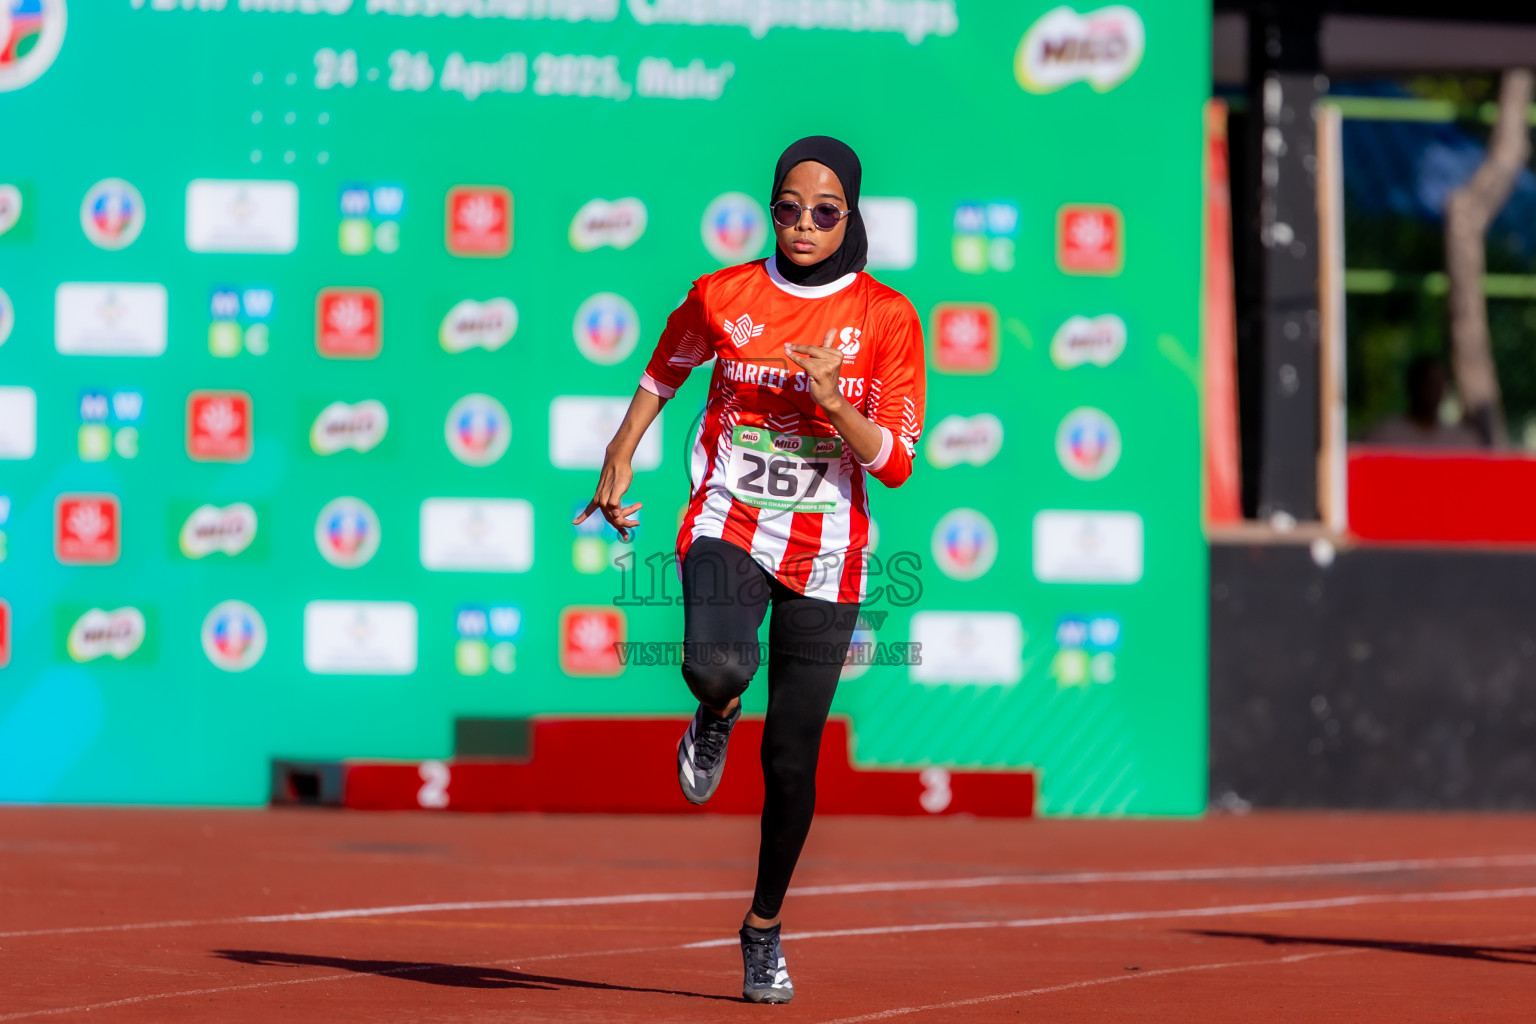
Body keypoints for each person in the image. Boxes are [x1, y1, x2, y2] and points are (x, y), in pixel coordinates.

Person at [575, 136, 926, 1003]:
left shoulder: (885, 317)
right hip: (730, 516)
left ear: (851, 215)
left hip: (828, 549)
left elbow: (897, 460)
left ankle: (762, 928)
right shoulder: (725, 294)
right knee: (715, 665)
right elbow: (666, 369)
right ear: (770, 209)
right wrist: (620, 451)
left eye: (824, 211)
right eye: (788, 209)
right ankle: (713, 713)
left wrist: (835, 399)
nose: (804, 225)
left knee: (794, 762)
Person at [1362, 354, 1485, 448]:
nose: (1434, 391)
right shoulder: (1383, 437)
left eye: (1439, 384)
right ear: (1412, 386)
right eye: (1429, 383)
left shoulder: (1463, 442)